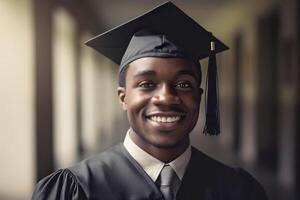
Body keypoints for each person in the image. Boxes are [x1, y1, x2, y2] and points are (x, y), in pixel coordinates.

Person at [32, 2, 268, 200]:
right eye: (146, 84)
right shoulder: (74, 190)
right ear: (123, 97)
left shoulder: (238, 190)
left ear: (199, 96)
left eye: (184, 84)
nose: (166, 97)